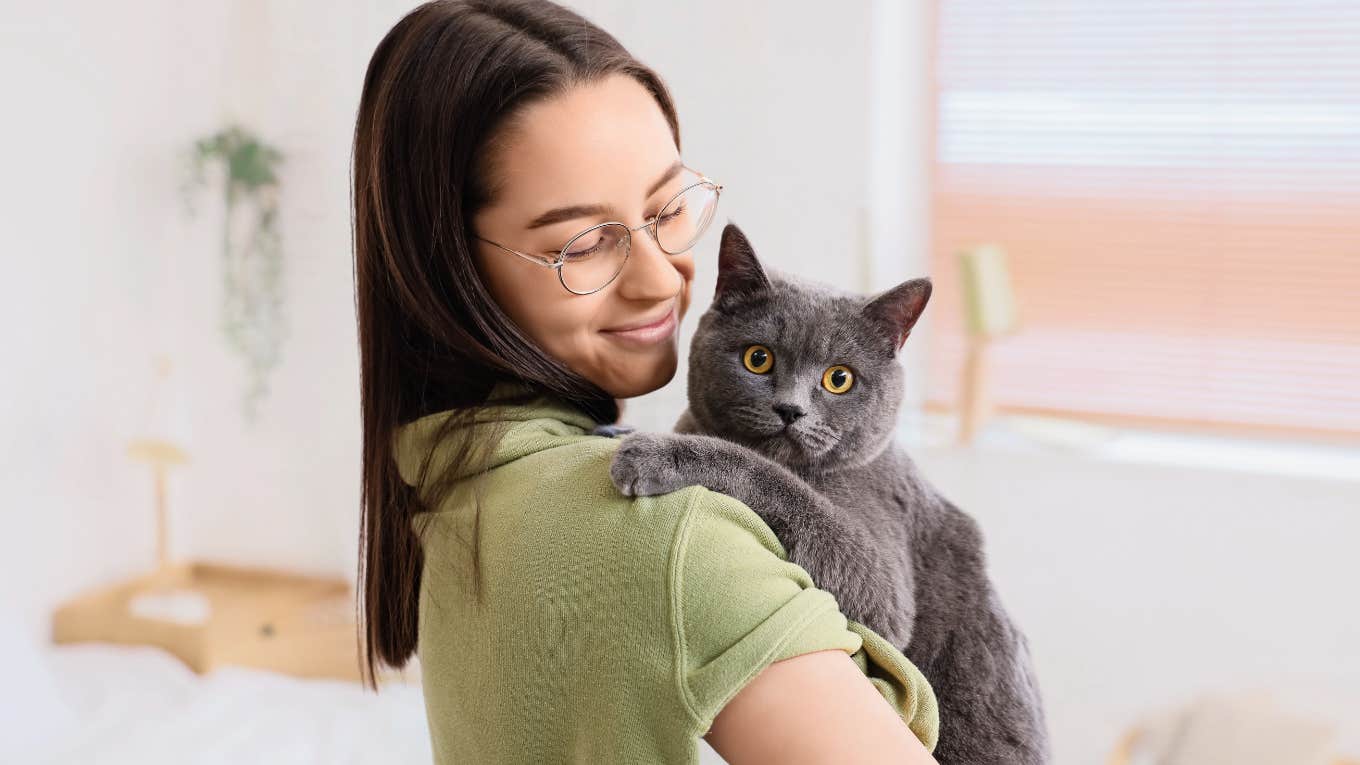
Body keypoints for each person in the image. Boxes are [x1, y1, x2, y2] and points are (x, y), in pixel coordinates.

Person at [351, 1, 940, 762]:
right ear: (450, 266)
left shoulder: (448, 476)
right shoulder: (669, 531)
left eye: (667, 209)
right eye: (587, 244)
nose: (663, 277)